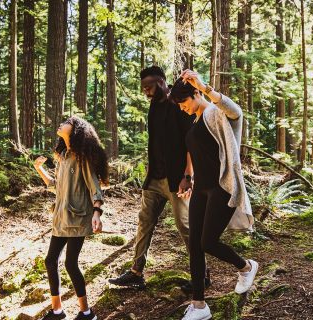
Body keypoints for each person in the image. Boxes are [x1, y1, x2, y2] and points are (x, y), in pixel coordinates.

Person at [109, 66, 206, 291]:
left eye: (149, 87)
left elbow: (190, 141)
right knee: (145, 222)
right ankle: (136, 272)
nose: (146, 92)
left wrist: (188, 175)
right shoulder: (153, 106)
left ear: (162, 82)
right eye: (143, 88)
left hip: (176, 179)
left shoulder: (179, 102)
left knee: (185, 227)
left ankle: (202, 276)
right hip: (154, 179)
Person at [170, 69, 257, 320]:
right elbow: (201, 157)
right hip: (201, 190)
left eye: (184, 102)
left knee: (208, 242)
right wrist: (189, 180)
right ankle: (199, 305)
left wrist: (206, 87)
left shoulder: (216, 114)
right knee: (195, 246)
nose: (182, 108)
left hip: (222, 187)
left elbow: (236, 112)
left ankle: (246, 266)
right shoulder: (197, 120)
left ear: (196, 93)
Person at [33, 116, 109, 320]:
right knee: (50, 261)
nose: (61, 123)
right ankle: (57, 311)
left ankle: (86, 312)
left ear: (75, 130)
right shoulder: (63, 155)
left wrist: (97, 213)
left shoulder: (82, 157)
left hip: (77, 217)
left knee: (70, 263)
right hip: (60, 218)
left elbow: (94, 186)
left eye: (67, 121)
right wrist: (39, 169)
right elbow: (55, 184)